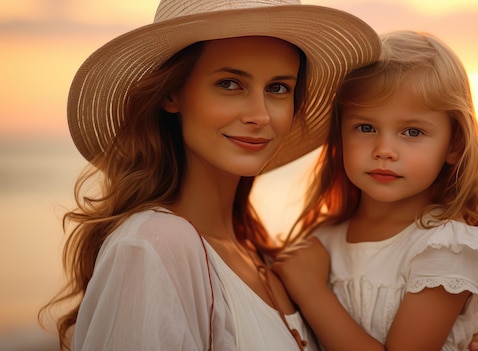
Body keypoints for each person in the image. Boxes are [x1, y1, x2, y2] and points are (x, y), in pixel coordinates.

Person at [38, 0, 381, 350]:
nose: (260, 115)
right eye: (230, 84)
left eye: (278, 88)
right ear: (172, 93)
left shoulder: (259, 252)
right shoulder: (153, 246)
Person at [272, 30, 478, 351]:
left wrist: (313, 294)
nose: (384, 150)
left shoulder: (445, 249)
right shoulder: (322, 240)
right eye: (366, 127)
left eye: (412, 131)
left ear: (453, 145)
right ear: (340, 135)